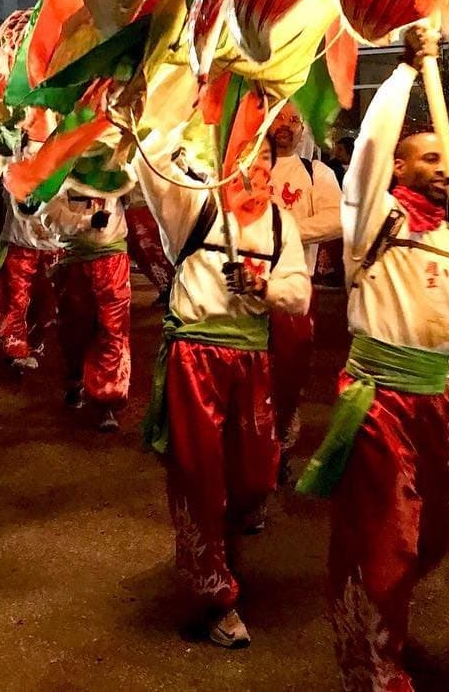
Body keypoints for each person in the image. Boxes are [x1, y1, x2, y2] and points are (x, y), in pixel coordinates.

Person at [298, 26, 449, 691]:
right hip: (380, 399)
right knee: (389, 535)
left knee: (432, 534)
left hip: (443, 402)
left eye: (443, 159)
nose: (441, 166)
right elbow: (365, 152)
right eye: (425, 157)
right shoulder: (374, 216)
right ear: (400, 167)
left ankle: (373, 615)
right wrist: (405, 72)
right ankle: (376, 665)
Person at [138, 135, 310, 649]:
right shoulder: (197, 206)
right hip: (196, 356)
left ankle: (219, 548)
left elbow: (298, 294)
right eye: (243, 157)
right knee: (200, 479)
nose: (253, 169)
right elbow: (153, 161)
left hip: (253, 359)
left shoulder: (280, 223)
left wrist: (263, 288)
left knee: (255, 477)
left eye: (262, 160)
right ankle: (215, 596)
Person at [269, 102, 342, 474]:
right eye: (278, 117)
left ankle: (281, 440)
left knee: (288, 373)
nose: (285, 126)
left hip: (297, 290)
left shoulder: (318, 173)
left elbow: (335, 220)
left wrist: (284, 234)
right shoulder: (247, 169)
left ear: (303, 130)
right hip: (248, 292)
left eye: (294, 120)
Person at [51, 189, 132, 433]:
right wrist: (86, 222)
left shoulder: (120, 166)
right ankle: (75, 379)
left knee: (113, 328)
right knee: (74, 330)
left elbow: (143, 192)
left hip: (113, 260)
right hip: (74, 260)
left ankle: (106, 399)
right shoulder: (61, 167)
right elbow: (49, 214)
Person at [0, 192, 61, 374]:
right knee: (16, 302)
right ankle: (16, 349)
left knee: (50, 306)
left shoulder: (63, 169)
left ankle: (31, 343)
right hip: (21, 246)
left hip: (53, 248)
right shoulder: (15, 168)